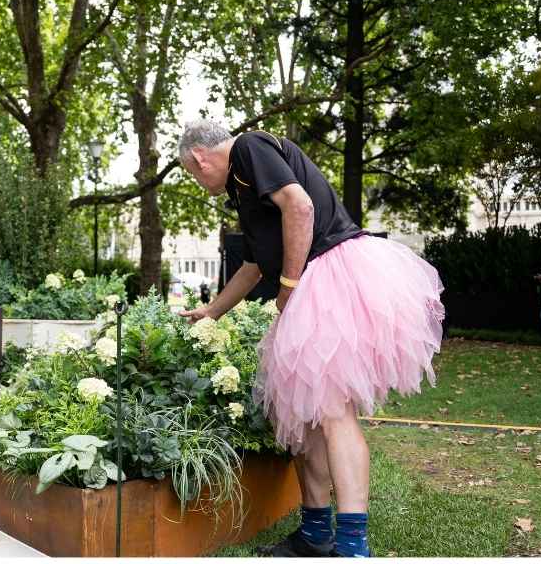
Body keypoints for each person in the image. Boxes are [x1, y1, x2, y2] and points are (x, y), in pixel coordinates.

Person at [177, 119, 443, 559]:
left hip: (329, 279)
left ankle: (353, 546)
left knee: (334, 413)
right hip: (311, 284)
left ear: (200, 159)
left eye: (193, 174)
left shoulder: (248, 149)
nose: (199, 183)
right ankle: (316, 532)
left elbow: (300, 208)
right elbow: (253, 265)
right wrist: (211, 311)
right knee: (303, 418)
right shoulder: (244, 189)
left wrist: (290, 286)